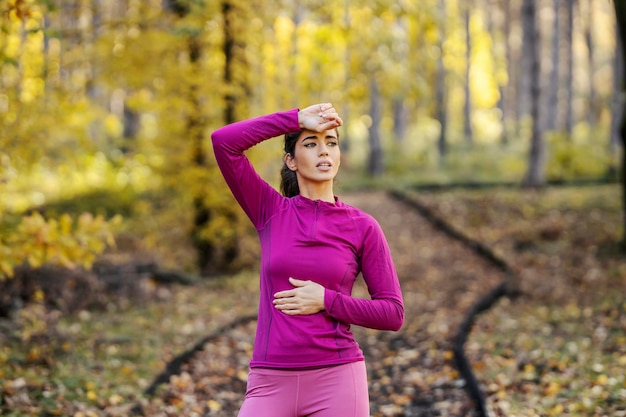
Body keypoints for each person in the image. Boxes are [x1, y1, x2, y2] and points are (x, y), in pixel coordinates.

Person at [211, 103, 404, 417]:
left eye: (331, 143)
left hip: (337, 378)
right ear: (291, 161)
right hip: (270, 380)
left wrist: (327, 300)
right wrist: (295, 118)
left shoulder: (362, 226)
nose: (324, 152)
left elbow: (392, 313)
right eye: (311, 143)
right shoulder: (270, 211)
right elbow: (224, 142)